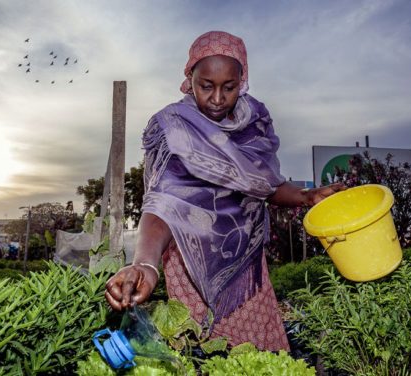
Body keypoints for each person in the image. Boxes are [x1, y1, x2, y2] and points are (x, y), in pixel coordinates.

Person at [105, 31, 345, 351]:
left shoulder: (253, 124)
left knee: (257, 352)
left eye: (228, 88)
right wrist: (146, 264)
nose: (217, 98)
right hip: (192, 263)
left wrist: (305, 197)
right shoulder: (175, 128)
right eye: (206, 86)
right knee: (202, 351)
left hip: (245, 266)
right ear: (190, 78)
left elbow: (265, 185)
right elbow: (163, 203)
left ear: (242, 82)